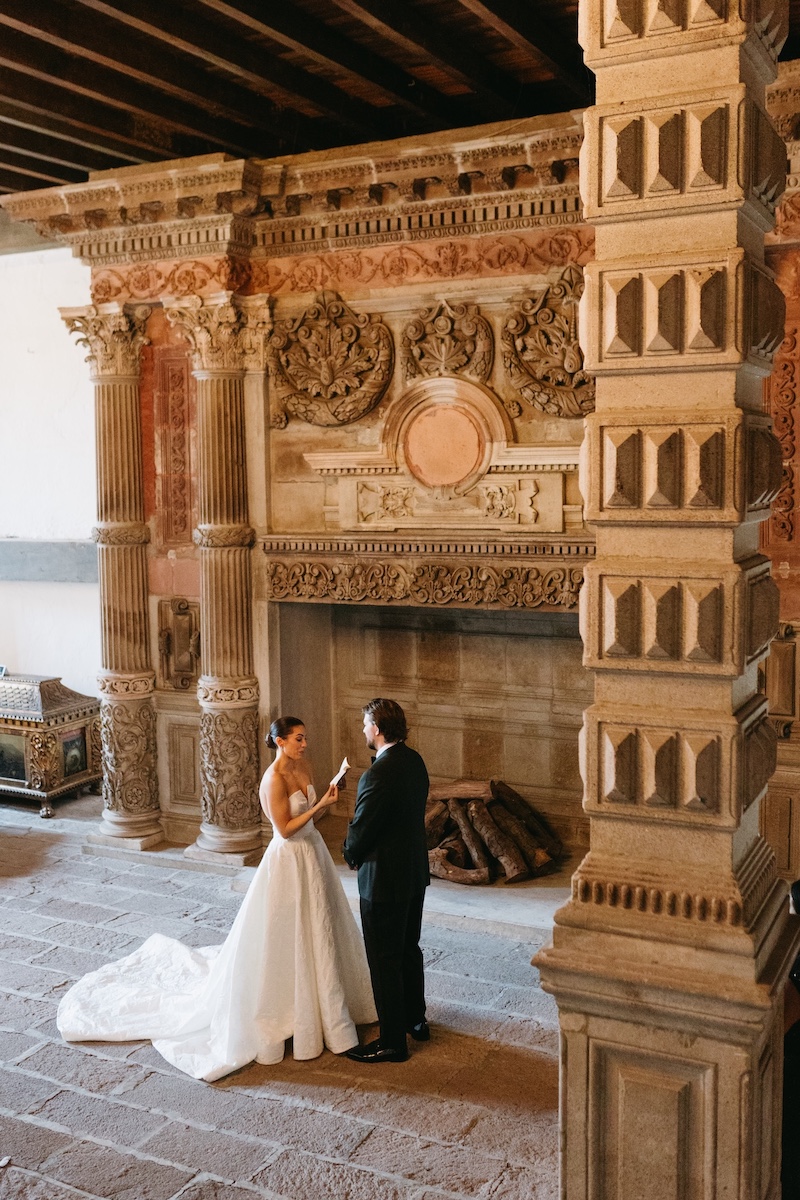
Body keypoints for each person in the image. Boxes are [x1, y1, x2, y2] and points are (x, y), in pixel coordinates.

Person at [56, 716, 377, 1082]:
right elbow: (285, 831)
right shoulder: (273, 779)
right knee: (287, 934)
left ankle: (328, 1007)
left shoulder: (305, 766)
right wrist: (322, 805)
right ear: (279, 741)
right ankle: (287, 1013)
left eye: (305, 738)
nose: (305, 744)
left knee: (321, 924)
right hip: (288, 859)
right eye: (298, 739)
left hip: (312, 854)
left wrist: (323, 800)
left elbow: (307, 826)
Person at [343, 698, 430, 1063]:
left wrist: (349, 853)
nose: (363, 729)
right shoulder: (414, 761)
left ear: (377, 727)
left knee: (384, 960)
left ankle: (392, 1041)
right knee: (409, 949)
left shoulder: (376, 774)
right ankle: (416, 1020)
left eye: (365, 724)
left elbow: (363, 829)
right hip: (412, 873)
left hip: (383, 881)